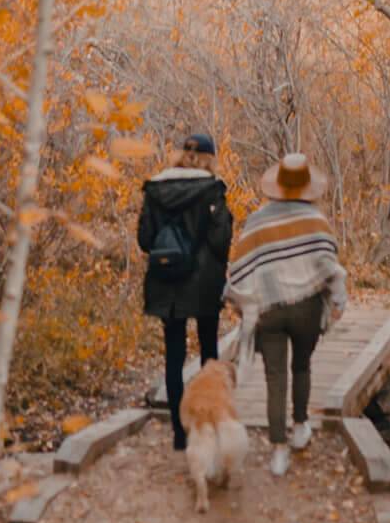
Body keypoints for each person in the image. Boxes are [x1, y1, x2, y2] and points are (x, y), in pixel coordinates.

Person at [226, 151, 348, 477]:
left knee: (275, 379)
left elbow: (239, 270)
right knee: (302, 366)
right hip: (307, 308)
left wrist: (242, 305)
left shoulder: (258, 220)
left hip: (269, 310)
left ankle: (279, 450)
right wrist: (337, 305)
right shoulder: (317, 221)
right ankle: (301, 427)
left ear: (277, 184)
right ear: (307, 186)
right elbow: (332, 270)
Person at [137, 131, 232, 452]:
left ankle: (180, 433)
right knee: (209, 355)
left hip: (167, 281)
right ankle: (211, 421)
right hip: (204, 283)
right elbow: (221, 243)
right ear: (209, 158)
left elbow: (145, 239)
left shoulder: (155, 188)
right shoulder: (212, 190)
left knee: (174, 358)